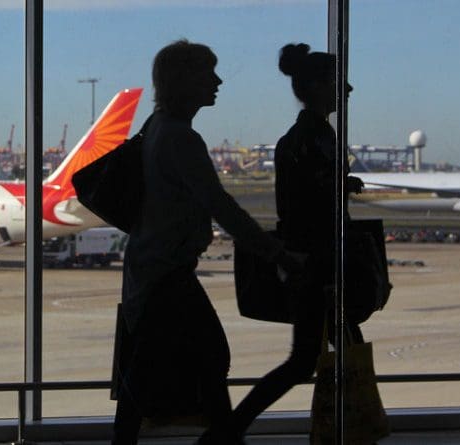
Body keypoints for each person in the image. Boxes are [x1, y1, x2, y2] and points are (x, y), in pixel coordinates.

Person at [112, 39, 302, 445]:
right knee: (205, 357)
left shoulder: (158, 128)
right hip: (167, 272)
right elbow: (222, 207)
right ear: (183, 80)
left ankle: (217, 437)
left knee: (162, 364)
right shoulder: (180, 138)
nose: (217, 82)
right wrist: (276, 253)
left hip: (153, 268)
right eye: (207, 73)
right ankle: (221, 438)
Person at [199, 43, 365, 442]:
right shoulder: (313, 137)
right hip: (317, 263)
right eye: (337, 81)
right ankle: (229, 432)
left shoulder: (307, 136)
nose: (348, 89)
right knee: (317, 358)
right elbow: (309, 205)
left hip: (312, 261)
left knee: (316, 358)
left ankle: (231, 431)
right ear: (316, 87)